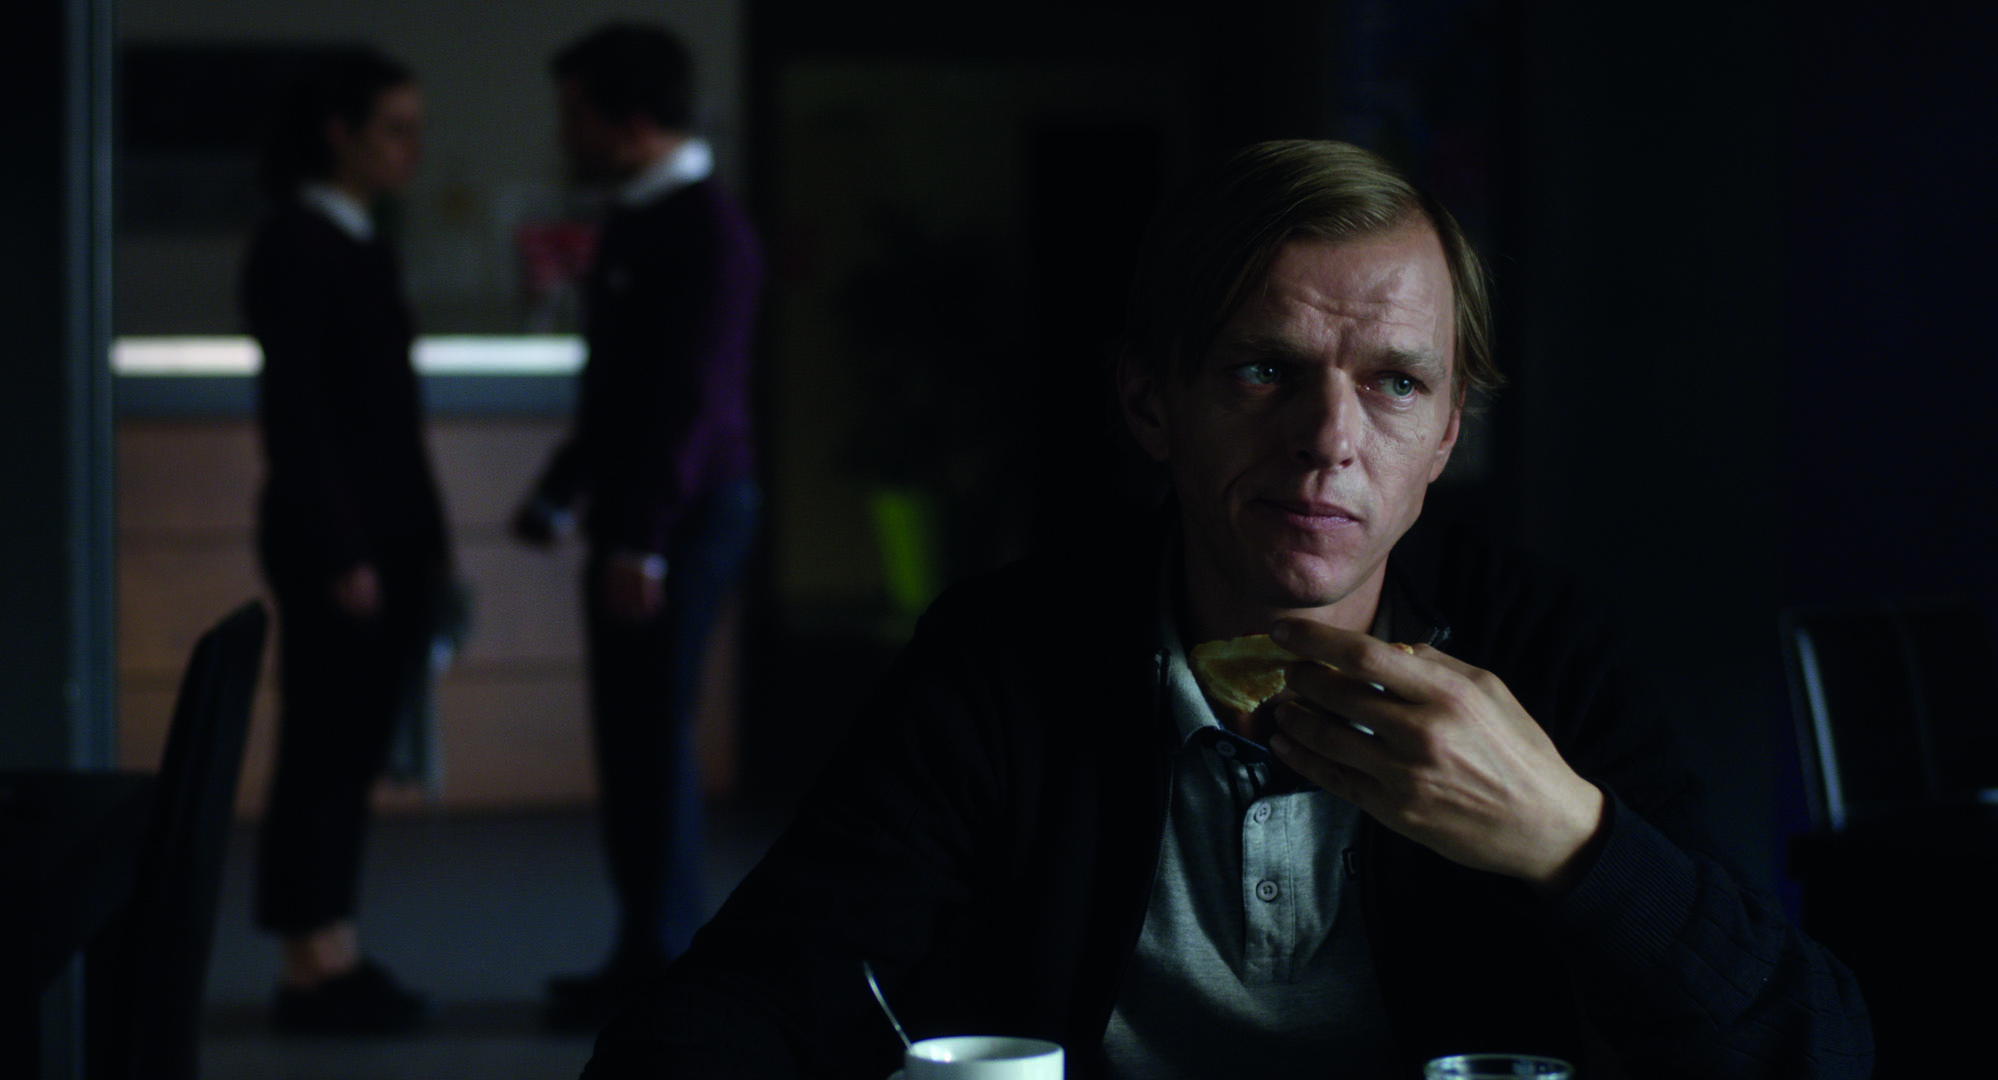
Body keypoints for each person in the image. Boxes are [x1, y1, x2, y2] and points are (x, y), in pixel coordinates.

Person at [579, 139, 1874, 1078]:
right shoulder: (1005, 655)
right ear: (1152, 404)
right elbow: (735, 1008)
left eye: (1396, 385)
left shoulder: (1540, 649)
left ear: (1446, 436)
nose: (1329, 442)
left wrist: (1567, 838)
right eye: (1265, 370)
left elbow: (1812, 1047)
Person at [510, 22, 765, 1030]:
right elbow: (618, 390)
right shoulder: (639, 220)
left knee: (651, 738)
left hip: (682, 519)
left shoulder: (708, 232)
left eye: (575, 114)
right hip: (647, 515)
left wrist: (641, 537)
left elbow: (691, 402)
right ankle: (640, 956)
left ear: (631, 122)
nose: (563, 134)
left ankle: (665, 968)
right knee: (629, 739)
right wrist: (564, 488)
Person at [241, 48, 447, 1034]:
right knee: (325, 748)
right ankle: (309, 962)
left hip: (383, 537)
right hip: (344, 541)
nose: (412, 149)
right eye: (394, 129)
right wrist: (342, 549)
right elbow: (300, 415)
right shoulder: (297, 242)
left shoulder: (360, 241)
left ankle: (332, 948)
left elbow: (385, 418)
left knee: (350, 749)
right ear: (340, 133)